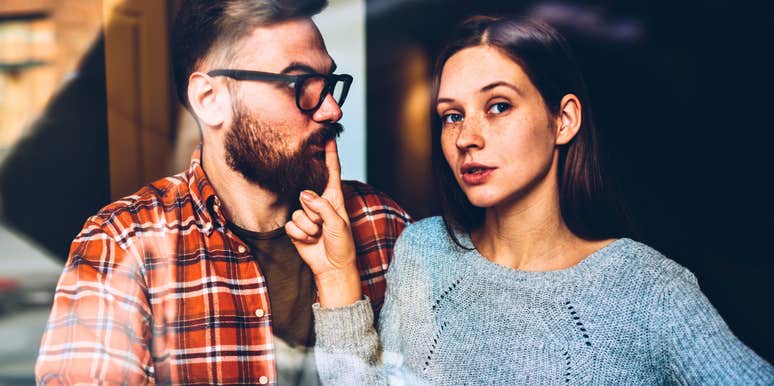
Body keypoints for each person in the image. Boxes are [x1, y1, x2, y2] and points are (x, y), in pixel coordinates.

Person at [286, 16, 774, 384]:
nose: (467, 138)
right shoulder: (423, 250)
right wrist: (336, 274)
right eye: (452, 115)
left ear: (564, 120)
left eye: (498, 106)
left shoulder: (648, 289)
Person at [35, 1, 411, 384]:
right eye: (299, 84)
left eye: (327, 84)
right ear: (209, 99)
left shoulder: (383, 225)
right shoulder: (122, 245)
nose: (331, 110)